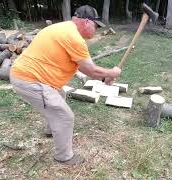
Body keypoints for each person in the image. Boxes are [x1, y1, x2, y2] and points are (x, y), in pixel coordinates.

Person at [10, 5, 121, 165]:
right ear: (86, 22)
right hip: (30, 80)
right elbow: (91, 70)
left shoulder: (62, 28)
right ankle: (64, 157)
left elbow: (82, 66)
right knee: (65, 116)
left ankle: (50, 131)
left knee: (59, 95)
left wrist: (104, 78)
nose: (95, 30)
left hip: (28, 75)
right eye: (96, 26)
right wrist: (111, 73)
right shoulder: (73, 37)